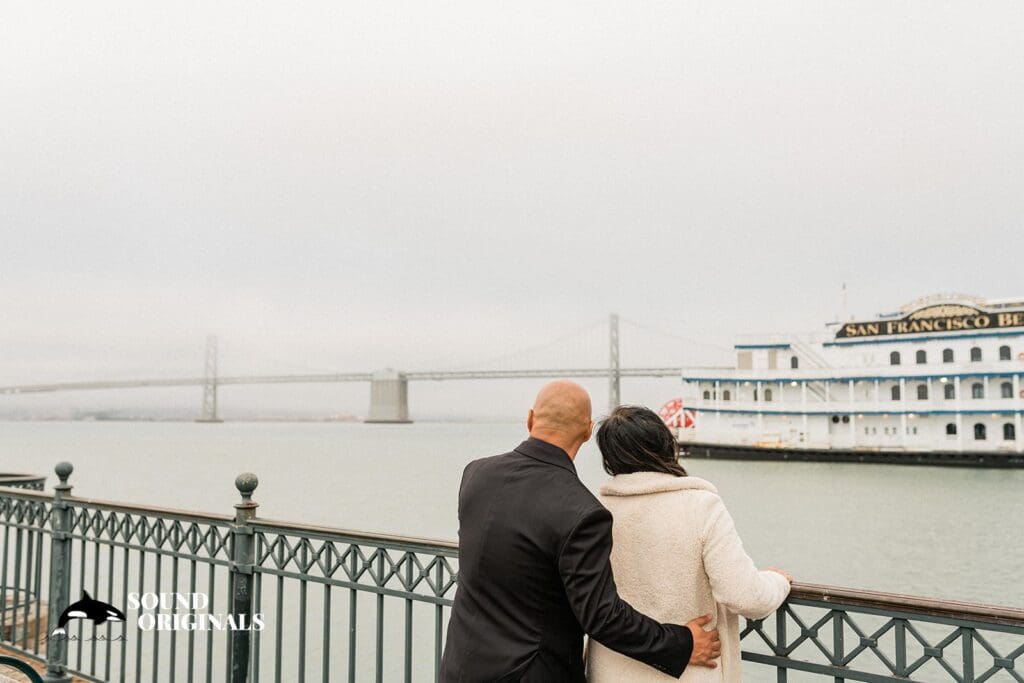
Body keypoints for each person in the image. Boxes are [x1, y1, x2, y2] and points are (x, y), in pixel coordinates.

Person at [440, 381, 721, 682]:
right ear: (588, 432)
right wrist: (682, 643)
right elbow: (603, 617)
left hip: (460, 668)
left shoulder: (476, 475)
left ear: (531, 418)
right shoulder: (583, 512)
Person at [587, 406, 792, 682]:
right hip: (690, 672)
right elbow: (744, 595)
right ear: (665, 445)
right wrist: (777, 581)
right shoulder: (700, 505)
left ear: (609, 459)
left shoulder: (594, 513)